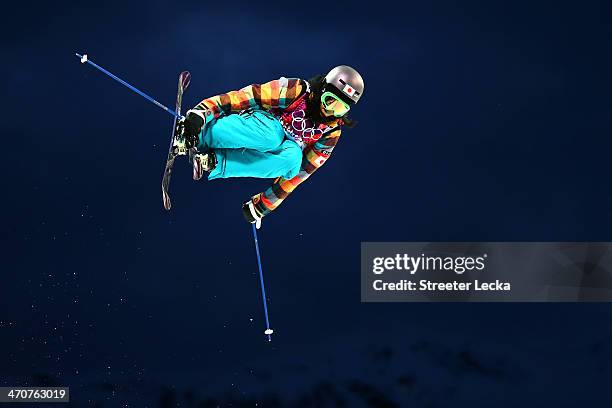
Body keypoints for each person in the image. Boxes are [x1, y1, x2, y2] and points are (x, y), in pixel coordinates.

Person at [178, 65, 364, 228]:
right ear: (322, 88)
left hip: (283, 147)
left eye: (340, 108)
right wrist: (203, 111)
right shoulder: (297, 91)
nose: (330, 110)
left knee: (293, 160)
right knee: (272, 137)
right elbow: (246, 97)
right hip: (263, 125)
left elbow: (302, 173)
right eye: (330, 100)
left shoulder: (330, 133)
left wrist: (262, 206)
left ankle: (214, 161)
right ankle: (201, 135)